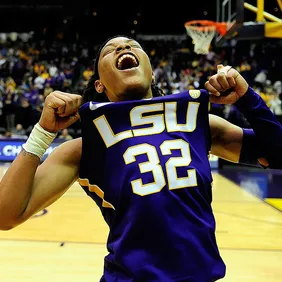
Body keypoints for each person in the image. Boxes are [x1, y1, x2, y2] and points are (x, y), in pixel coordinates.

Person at [0, 35, 282, 282]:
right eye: (110, 50)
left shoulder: (199, 123)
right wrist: (42, 133)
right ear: (99, 85)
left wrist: (247, 98)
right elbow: (6, 214)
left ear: (153, 75)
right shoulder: (84, 147)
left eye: (132, 45)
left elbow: (278, 154)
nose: (123, 47)